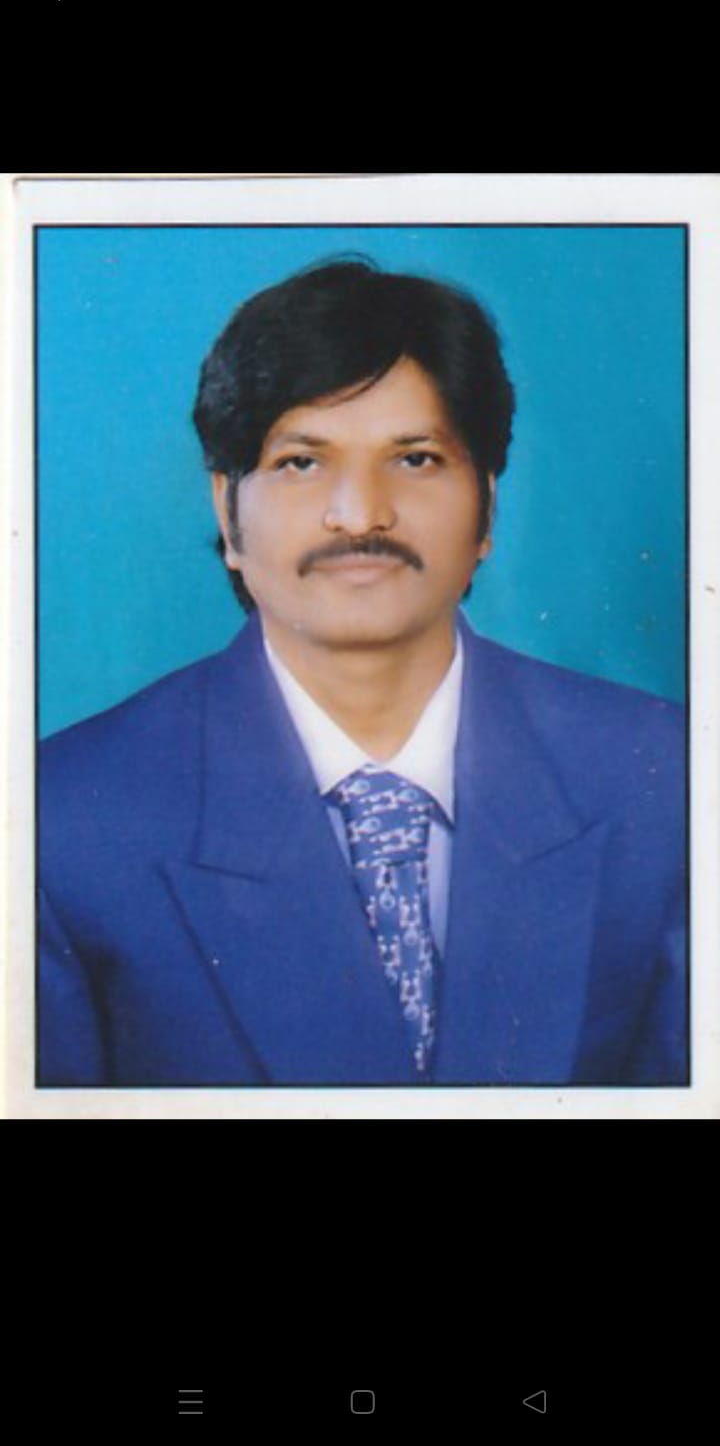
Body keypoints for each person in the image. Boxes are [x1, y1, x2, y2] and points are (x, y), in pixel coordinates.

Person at [38, 258, 686, 1087]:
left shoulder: (665, 776)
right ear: (227, 511)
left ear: (486, 504)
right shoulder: (59, 820)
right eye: (301, 463)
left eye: (414, 459)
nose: (360, 514)